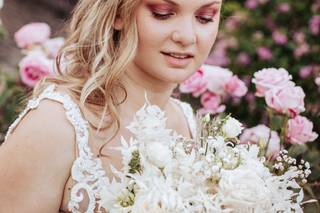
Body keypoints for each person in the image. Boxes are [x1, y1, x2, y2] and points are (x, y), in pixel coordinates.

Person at [0, 0, 222, 212]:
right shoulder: (54, 126)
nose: (187, 36)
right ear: (118, 13)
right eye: (162, 13)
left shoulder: (188, 123)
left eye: (205, 18)